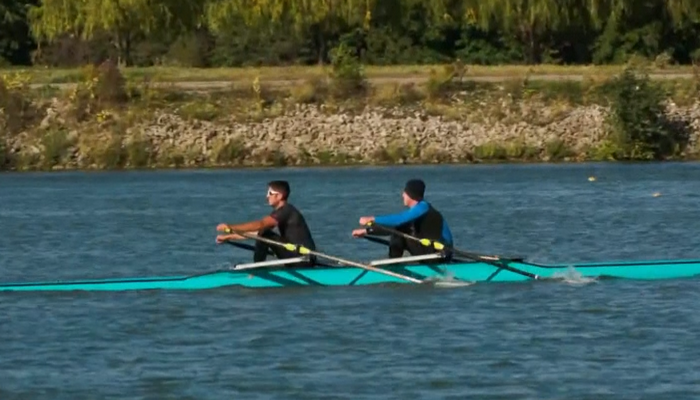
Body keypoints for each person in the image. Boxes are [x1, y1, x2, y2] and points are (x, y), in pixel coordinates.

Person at [216, 180, 317, 264]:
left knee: (264, 233)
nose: (267, 196)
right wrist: (229, 236)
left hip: (303, 257)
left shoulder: (285, 211)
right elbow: (257, 234)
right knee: (264, 233)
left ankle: (257, 270)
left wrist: (230, 227)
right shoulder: (282, 211)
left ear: (279, 196)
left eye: (270, 193)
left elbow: (260, 225)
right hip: (299, 255)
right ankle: (260, 268)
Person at [352, 179, 453, 258]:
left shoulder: (423, 207)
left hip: (441, 252)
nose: (402, 195)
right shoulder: (417, 212)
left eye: (405, 192)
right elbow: (397, 226)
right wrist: (366, 231)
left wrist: (373, 219)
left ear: (411, 195)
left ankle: (394, 266)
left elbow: (399, 220)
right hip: (431, 250)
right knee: (400, 230)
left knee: (398, 235)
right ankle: (395, 264)